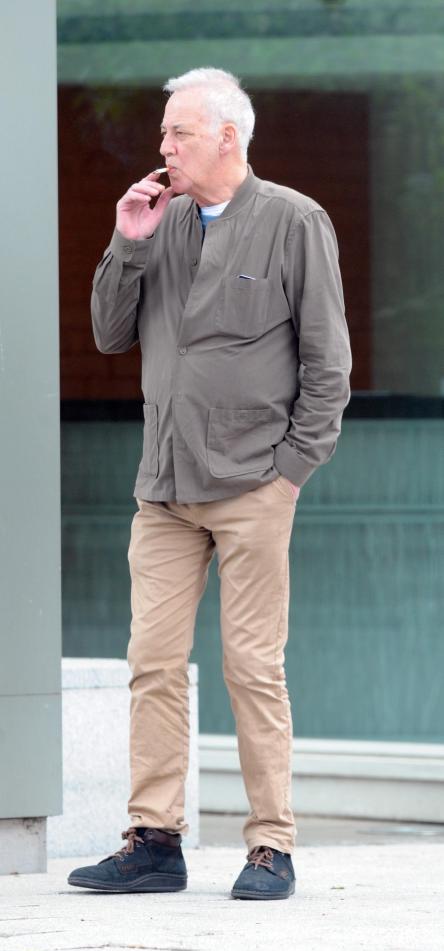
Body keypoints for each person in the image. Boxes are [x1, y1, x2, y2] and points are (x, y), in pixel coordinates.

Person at [67, 67, 352, 901]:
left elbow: (328, 365)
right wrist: (129, 240)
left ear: (228, 136)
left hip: (255, 483)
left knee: (252, 667)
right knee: (152, 661)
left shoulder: (296, 221)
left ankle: (272, 846)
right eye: (163, 135)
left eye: (176, 134)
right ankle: (155, 841)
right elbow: (109, 334)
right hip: (163, 487)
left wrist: (291, 472)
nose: (163, 148)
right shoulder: (159, 222)